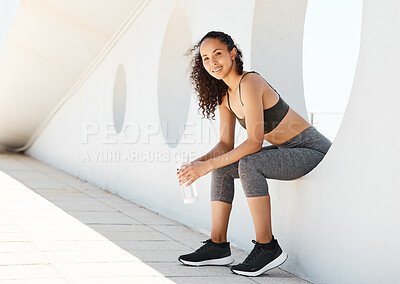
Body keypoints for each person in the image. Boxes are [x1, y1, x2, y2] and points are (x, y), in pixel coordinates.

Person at [176, 31, 332, 277]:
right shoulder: (224, 97)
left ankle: (267, 246)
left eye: (218, 54)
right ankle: (218, 245)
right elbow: (225, 145)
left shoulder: (250, 82)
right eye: (206, 58)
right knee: (222, 168)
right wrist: (197, 164)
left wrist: (204, 167)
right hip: (287, 150)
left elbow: (254, 143)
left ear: (233, 53)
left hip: (311, 149)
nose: (212, 62)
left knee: (249, 163)